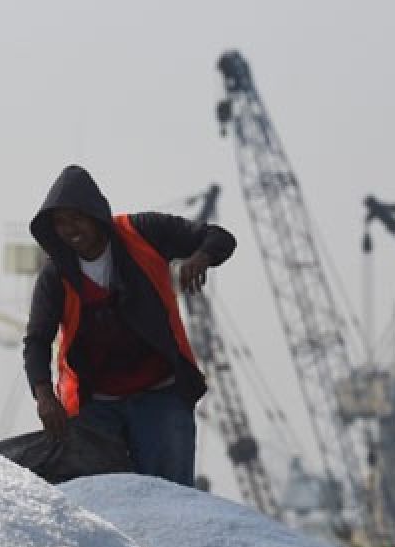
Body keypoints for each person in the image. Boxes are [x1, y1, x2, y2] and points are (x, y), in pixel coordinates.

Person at [23, 164, 236, 486]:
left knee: (172, 495)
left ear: (95, 214)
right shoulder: (56, 275)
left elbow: (219, 238)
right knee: (103, 498)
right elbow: (37, 340)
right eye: (61, 223)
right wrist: (43, 395)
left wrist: (200, 258)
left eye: (76, 218)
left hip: (160, 395)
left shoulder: (143, 233)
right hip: (96, 405)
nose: (70, 229)